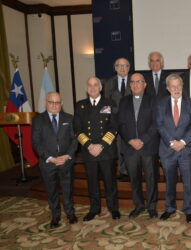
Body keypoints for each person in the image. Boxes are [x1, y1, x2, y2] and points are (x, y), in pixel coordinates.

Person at [73, 76, 120, 221]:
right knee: (92, 181)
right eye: (89, 85)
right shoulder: (80, 105)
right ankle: (94, 208)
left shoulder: (109, 103)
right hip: (88, 151)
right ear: (87, 88)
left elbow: (114, 128)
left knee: (109, 181)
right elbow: (77, 129)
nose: (92, 88)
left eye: (95, 85)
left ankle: (113, 208)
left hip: (106, 150)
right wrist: (89, 145)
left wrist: (101, 145)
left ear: (100, 87)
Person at [156, 74, 191, 223]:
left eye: (178, 86)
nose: (176, 89)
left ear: (182, 87)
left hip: (187, 149)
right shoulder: (161, 104)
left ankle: (188, 209)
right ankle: (170, 208)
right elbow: (160, 125)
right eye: (172, 86)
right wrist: (171, 142)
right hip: (167, 150)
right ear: (168, 88)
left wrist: (182, 142)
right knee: (170, 182)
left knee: (188, 182)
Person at [32, 92, 78, 228]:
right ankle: (55, 215)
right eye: (51, 102)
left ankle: (70, 212)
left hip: (66, 162)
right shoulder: (38, 120)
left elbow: (75, 140)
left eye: (57, 102)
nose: (54, 105)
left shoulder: (69, 118)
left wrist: (67, 155)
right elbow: (36, 142)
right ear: (46, 103)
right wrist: (50, 158)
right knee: (51, 191)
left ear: (61, 103)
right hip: (48, 163)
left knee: (67, 189)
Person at [117, 73, 159, 219]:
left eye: (139, 81)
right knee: (134, 179)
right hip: (130, 148)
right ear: (130, 85)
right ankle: (139, 206)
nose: (135, 84)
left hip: (148, 146)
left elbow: (156, 123)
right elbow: (120, 124)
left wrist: (143, 140)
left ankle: (152, 206)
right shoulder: (123, 101)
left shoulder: (153, 100)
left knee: (151, 178)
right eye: (133, 82)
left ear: (145, 84)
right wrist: (130, 140)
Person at [103, 57, 132, 177]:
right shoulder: (109, 82)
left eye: (125, 65)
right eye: (119, 65)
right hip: (114, 120)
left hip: (131, 121)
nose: (122, 68)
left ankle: (131, 170)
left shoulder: (134, 81)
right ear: (115, 68)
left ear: (129, 68)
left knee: (130, 146)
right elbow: (105, 104)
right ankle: (121, 170)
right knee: (118, 146)